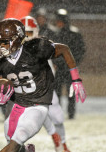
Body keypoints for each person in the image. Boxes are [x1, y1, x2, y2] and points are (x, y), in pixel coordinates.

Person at [0, 18, 86, 152]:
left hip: (40, 98)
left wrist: (76, 79)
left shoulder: (36, 48)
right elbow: (4, 79)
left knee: (52, 120)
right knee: (12, 139)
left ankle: (61, 144)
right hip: (19, 102)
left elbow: (63, 49)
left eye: (4, 42)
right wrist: (1, 92)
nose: (0, 46)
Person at [20, 15, 71, 152]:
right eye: (23, 33)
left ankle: (62, 145)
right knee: (21, 123)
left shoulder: (43, 46)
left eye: (29, 33)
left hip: (45, 89)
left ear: (35, 32)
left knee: (57, 118)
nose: (26, 36)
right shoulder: (14, 49)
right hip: (24, 91)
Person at [52, 8, 86, 119]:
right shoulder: (56, 33)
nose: (58, 22)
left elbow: (80, 50)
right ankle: (59, 113)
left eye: (59, 20)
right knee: (58, 92)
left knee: (70, 92)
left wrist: (72, 62)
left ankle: (70, 114)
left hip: (70, 68)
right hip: (61, 68)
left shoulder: (73, 33)